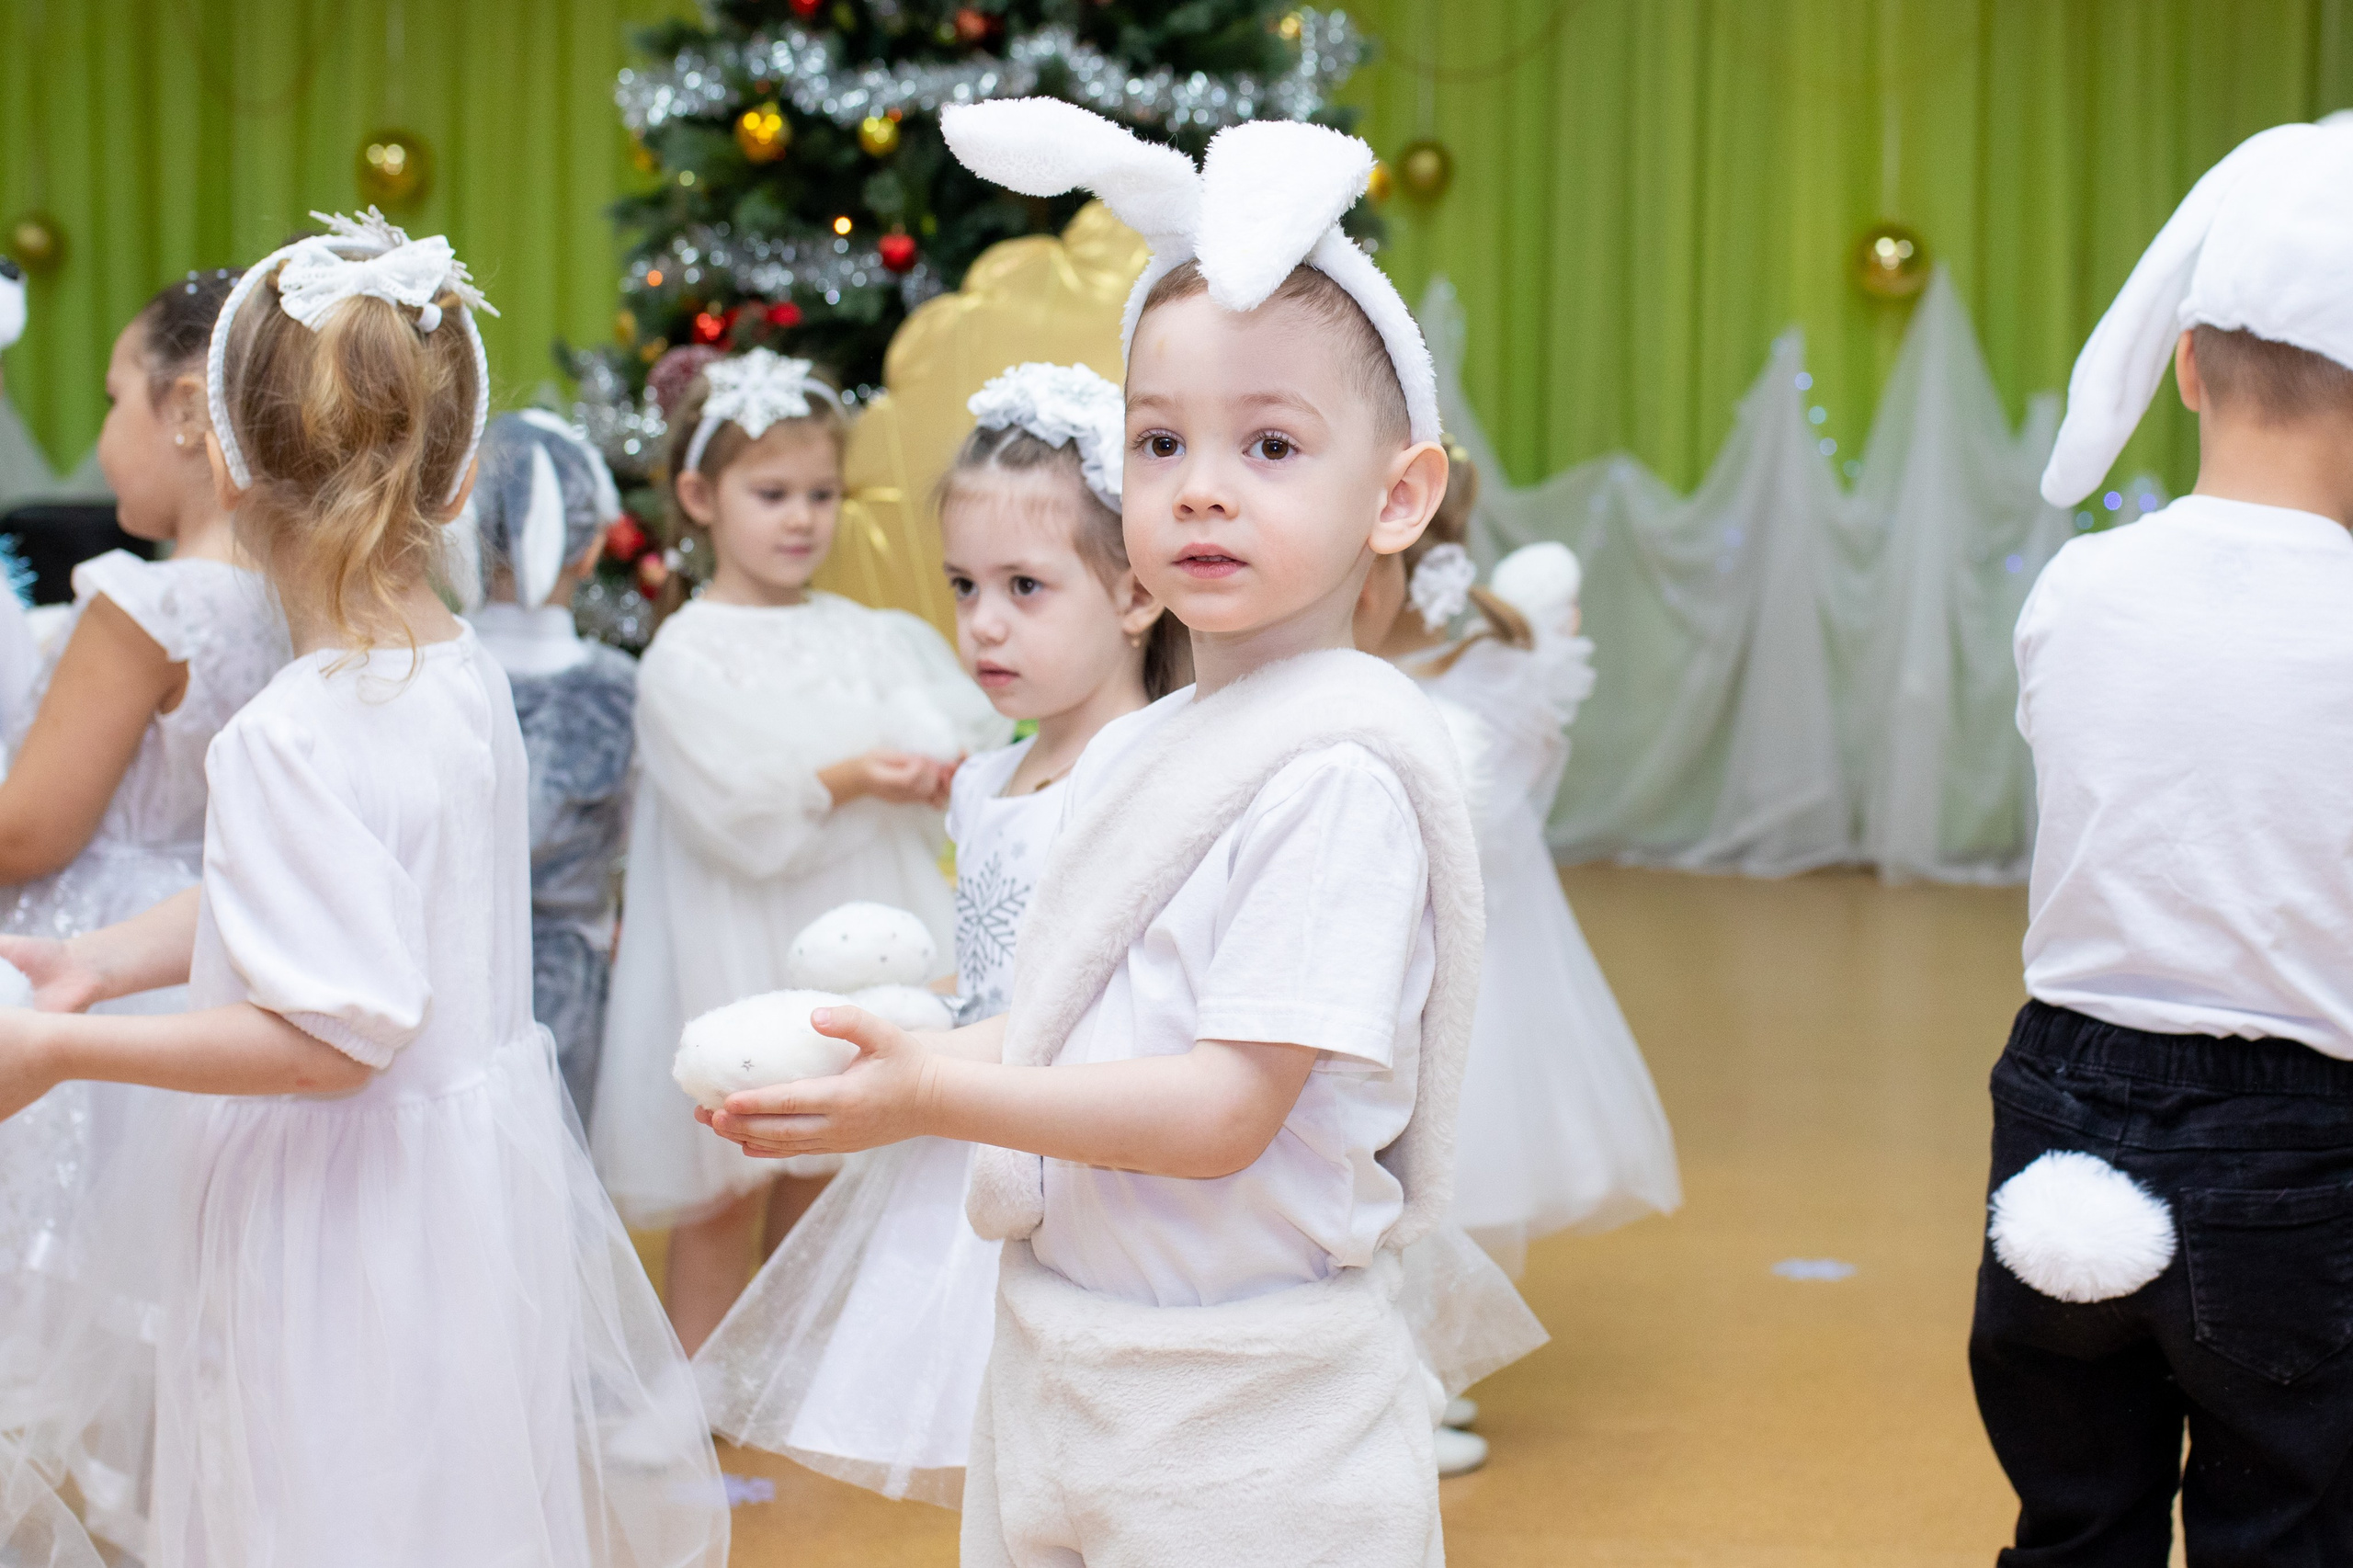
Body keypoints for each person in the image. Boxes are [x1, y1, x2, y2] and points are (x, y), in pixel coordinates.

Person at [706, 103, 1485, 1565]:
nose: (1199, 483)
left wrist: (937, 1097)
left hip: (1251, 1417)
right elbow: (1079, 1020)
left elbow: (1218, 1109)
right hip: (1077, 1370)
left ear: (1398, 495)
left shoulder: (1336, 779)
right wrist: (900, 1066)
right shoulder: (1151, 750)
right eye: (1160, 440)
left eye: (1268, 444)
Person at [0, 211, 726, 1568]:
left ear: (226, 455)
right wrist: (111, 957)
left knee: (318, 1502)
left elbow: (330, 1035)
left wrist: (59, 1045)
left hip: (336, 1227)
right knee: (438, 1503)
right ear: (451, 483)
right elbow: (347, 921)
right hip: (451, 1198)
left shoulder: (292, 732)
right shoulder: (455, 672)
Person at [694, 361, 1184, 1505]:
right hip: (974, 1139)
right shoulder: (989, 779)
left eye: (1026, 585)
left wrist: (931, 1063)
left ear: (1134, 595)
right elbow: (1000, 952)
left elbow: (1111, 997)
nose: (983, 622)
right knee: (1008, 1468)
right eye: (965, 585)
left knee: (1107, 1454)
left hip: (1088, 1154)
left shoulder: (1148, 770)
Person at [1970, 119, 2353, 1566]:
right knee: (2291, 1515)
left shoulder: (2078, 586)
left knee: (2077, 1513)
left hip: (2059, 1104)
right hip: (2297, 1134)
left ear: (2184, 362)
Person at [589, 347, 1006, 1353]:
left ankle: (769, 1374)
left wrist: (937, 771)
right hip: (739, 935)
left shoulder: (866, 632)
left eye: (821, 493)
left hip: (856, 921)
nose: (801, 518)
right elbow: (734, 809)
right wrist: (860, 773)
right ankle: (694, 1396)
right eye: (770, 492)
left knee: (822, 1166)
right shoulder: (686, 649)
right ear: (699, 495)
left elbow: (961, 728)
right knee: (727, 1179)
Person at [0, 270, 289, 1384]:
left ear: (181, 410)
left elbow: (32, 831)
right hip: (216, 957)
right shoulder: (295, 594)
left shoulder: (144, 601)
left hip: (102, 958)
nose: (106, 432)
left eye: (115, 398)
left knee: (64, 1306)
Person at [1353, 445, 1680, 1274]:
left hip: (1457, 973)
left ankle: (1429, 1358)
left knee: (1440, 1167)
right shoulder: (1403, 679)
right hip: (1384, 959)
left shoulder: (1482, 681)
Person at [455, 409, 635, 1127]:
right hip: (570, 977)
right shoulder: (618, 686)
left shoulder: (434, 673)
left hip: (447, 967)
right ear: (590, 549)